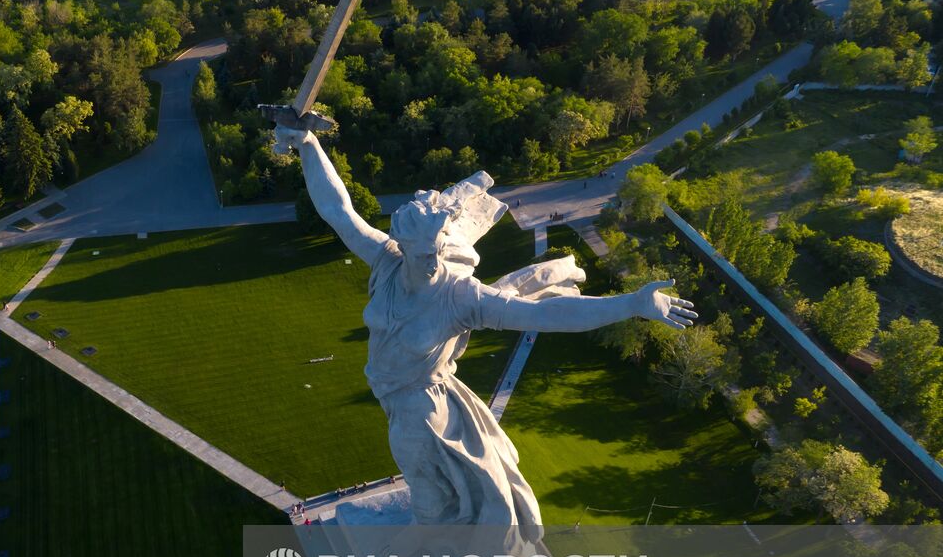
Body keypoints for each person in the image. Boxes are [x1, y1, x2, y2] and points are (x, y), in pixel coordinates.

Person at [274, 127, 697, 535]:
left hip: (420, 408)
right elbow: (340, 212)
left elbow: (543, 317)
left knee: (428, 496)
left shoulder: (460, 297)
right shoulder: (387, 261)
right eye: (421, 254)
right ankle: (441, 540)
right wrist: (309, 145)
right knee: (432, 487)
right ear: (402, 247)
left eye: (437, 250)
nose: (431, 262)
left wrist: (632, 304)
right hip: (391, 392)